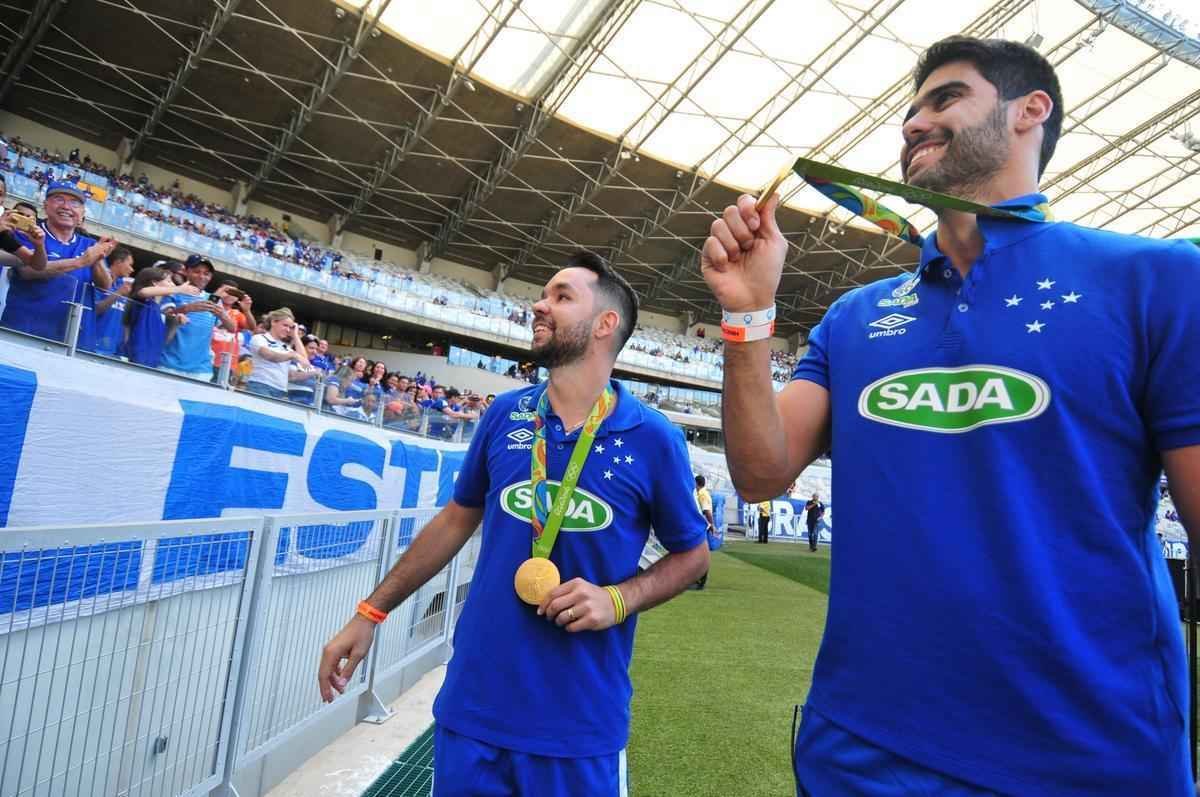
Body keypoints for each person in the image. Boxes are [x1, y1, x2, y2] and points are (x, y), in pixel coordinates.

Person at [701, 35, 1200, 797]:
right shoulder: (854, 318)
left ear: (1032, 110)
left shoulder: (1155, 280)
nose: (910, 124)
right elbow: (762, 472)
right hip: (857, 749)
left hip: (1086, 760)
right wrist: (748, 315)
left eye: (944, 99)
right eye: (909, 110)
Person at [319, 251, 710, 796]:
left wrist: (618, 599)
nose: (539, 305)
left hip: (578, 725)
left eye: (561, 296)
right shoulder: (505, 414)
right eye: (544, 294)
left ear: (605, 324)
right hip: (473, 711)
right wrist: (370, 612)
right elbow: (457, 518)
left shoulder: (652, 438)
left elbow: (694, 554)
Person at [1, 181, 114, 341]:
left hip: (73, 338)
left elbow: (106, 286)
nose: (66, 207)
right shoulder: (29, 233)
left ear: (82, 213)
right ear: (46, 205)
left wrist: (97, 259)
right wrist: (81, 261)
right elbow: (28, 271)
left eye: (74, 203)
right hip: (25, 333)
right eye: (59, 199)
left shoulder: (89, 243)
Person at [160, 255, 234, 382]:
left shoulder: (213, 299)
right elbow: (164, 317)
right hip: (168, 365)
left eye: (206, 273)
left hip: (201, 371)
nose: (202, 276)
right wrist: (186, 309)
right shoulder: (173, 292)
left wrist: (222, 314)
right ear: (186, 271)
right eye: (196, 271)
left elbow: (232, 328)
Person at [245, 308, 308, 399]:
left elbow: (304, 361)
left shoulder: (285, 346)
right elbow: (270, 356)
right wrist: (292, 355)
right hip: (260, 385)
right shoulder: (259, 338)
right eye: (285, 325)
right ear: (273, 322)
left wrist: (295, 335)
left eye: (290, 327)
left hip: (280, 390)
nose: (287, 329)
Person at [91, 245, 134, 357]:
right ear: (119, 262)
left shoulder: (122, 285)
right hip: (92, 347)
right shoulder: (99, 280)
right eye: (130, 265)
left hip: (112, 351)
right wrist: (118, 293)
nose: (132, 269)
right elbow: (95, 309)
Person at [210, 279, 254, 381]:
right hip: (208, 360)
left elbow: (252, 327)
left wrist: (247, 311)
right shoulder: (209, 307)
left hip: (228, 363)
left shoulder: (237, 314)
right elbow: (208, 305)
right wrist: (216, 296)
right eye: (226, 291)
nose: (230, 295)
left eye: (234, 293)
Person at [693, 474, 716, 590]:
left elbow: (706, 511)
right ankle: (698, 580)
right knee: (700, 553)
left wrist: (711, 525)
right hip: (703, 526)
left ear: (696, 483)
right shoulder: (704, 493)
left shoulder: (702, 494)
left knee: (700, 554)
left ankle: (700, 581)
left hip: (703, 527)